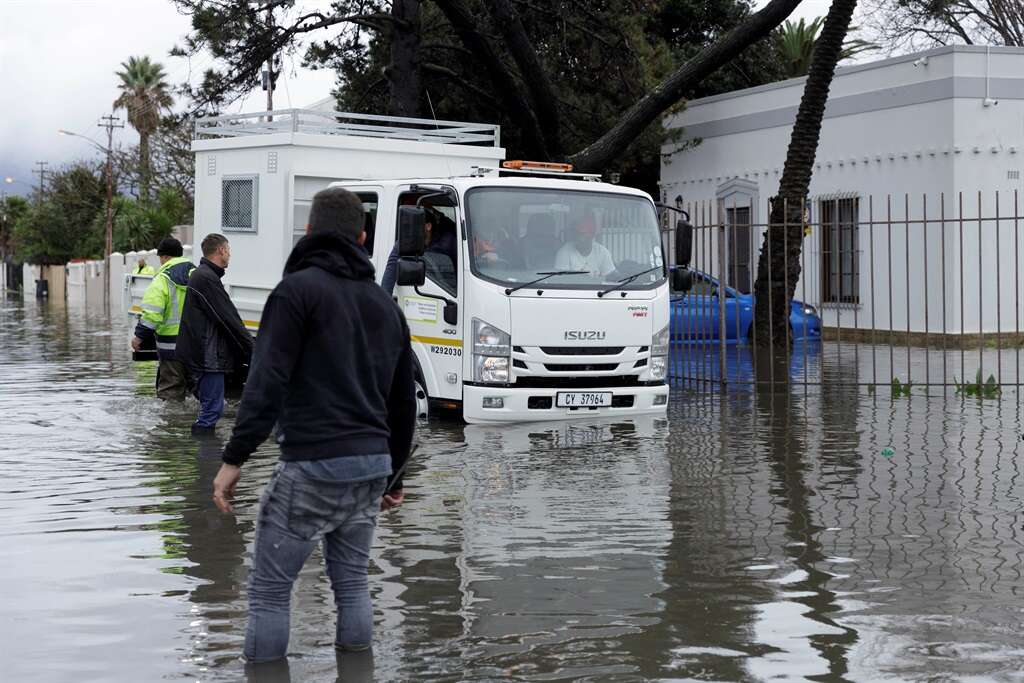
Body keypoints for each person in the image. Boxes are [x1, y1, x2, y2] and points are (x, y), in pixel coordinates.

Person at [211, 187, 416, 664]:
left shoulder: (295, 293)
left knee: (267, 592)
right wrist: (394, 476)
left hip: (313, 464)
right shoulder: (387, 307)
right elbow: (403, 402)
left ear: (308, 232)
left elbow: (266, 384)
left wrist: (233, 458)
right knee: (352, 584)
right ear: (362, 237)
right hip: (370, 467)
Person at [176, 233, 254, 435]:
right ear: (221, 250)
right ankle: (207, 461)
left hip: (204, 355)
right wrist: (253, 350)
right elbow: (228, 319)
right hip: (208, 358)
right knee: (212, 411)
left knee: (211, 409)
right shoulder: (206, 278)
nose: (229, 255)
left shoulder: (204, 276)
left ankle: (204, 458)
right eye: (228, 250)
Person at [131, 238, 195, 400]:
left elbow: (152, 315)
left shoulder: (162, 279)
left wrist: (139, 337)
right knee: (196, 392)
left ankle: (171, 425)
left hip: (170, 348)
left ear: (164, 257)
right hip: (197, 345)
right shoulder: (198, 274)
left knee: (170, 393)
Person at [380, 207, 457, 295]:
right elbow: (390, 270)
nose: (410, 230)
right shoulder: (404, 242)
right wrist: (384, 302)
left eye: (414, 225)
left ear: (428, 226)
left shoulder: (448, 241)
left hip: (448, 293)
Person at [554, 213, 616, 278]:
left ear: (592, 235)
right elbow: (562, 281)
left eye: (583, 234)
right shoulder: (564, 252)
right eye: (577, 233)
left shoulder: (602, 252)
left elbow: (609, 278)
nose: (579, 237)